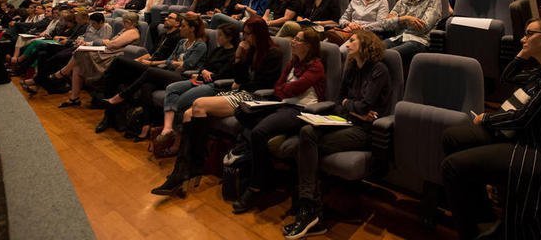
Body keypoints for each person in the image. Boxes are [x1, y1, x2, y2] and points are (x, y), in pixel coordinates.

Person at [441, 16, 541, 240]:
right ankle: (485, 216)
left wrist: (486, 119)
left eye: (529, 34)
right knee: (452, 138)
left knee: (452, 167)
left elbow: (523, 118)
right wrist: (522, 54)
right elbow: (509, 77)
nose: (523, 38)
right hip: (534, 139)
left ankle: (472, 232)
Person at [151, 17, 282, 197]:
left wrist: (242, 65)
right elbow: (241, 79)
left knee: (198, 105)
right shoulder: (249, 50)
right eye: (244, 33)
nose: (245, 38)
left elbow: (260, 83)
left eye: (248, 34)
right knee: (189, 113)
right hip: (241, 93)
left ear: (259, 33)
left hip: (256, 98)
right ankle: (182, 172)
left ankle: (191, 169)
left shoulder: (273, 53)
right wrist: (239, 57)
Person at [283, 30, 392, 239]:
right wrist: (352, 108)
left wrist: (351, 107)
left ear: (366, 44)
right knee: (306, 131)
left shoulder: (379, 70)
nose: (347, 43)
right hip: (346, 121)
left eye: (352, 40)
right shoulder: (351, 67)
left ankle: (308, 209)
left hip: (365, 131)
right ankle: (311, 208)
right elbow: (340, 100)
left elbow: (365, 105)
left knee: (306, 145)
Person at [232, 28, 326, 213]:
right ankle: (267, 172)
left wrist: (284, 89)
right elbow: (278, 87)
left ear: (308, 46)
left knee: (258, 132)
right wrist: (284, 90)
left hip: (300, 110)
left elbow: (296, 89)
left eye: (297, 40)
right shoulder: (292, 63)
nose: (292, 42)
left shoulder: (316, 66)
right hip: (282, 105)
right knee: (241, 111)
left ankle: (256, 185)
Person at [102, 13, 208, 141]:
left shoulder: (200, 45)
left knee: (140, 68)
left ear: (192, 28)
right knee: (146, 86)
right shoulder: (182, 42)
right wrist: (174, 63)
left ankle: (120, 95)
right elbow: (170, 60)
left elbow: (187, 65)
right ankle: (145, 125)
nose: (181, 28)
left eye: (184, 26)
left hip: (183, 78)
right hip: (168, 72)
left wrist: (174, 63)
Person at [152, 23, 239, 150]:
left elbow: (224, 74)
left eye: (220, 35)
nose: (217, 38)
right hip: (201, 79)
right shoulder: (218, 49)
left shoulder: (233, 54)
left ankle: (177, 139)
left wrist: (207, 74)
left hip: (215, 85)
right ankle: (168, 128)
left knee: (181, 100)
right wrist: (202, 71)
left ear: (229, 37)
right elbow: (204, 65)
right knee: (172, 88)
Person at [94, 12, 183, 133]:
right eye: (167, 17)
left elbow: (170, 61)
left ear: (178, 23)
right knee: (120, 77)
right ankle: (111, 117)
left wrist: (150, 63)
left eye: (170, 18)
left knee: (119, 60)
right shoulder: (163, 35)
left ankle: (101, 87)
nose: (166, 19)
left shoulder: (178, 38)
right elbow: (150, 53)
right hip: (149, 64)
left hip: (158, 69)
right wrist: (138, 60)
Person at [55, 12, 140, 108]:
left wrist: (106, 41)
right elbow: (111, 43)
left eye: (125, 22)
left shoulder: (132, 32)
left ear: (130, 22)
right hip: (108, 52)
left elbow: (113, 44)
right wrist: (107, 42)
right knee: (78, 64)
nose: (123, 24)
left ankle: (63, 72)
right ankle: (74, 98)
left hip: (114, 57)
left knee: (80, 52)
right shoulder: (125, 30)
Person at [369, 0, 442, 73]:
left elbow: (423, 27)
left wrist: (396, 21)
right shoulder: (402, 1)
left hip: (418, 41)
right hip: (397, 38)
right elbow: (385, 24)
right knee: (370, 51)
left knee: (387, 56)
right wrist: (406, 19)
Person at [325, 0, 390, 47]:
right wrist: (349, 24)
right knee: (325, 46)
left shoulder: (382, 2)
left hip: (367, 35)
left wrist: (360, 27)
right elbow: (342, 19)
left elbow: (381, 24)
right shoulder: (355, 1)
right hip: (348, 31)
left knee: (341, 50)